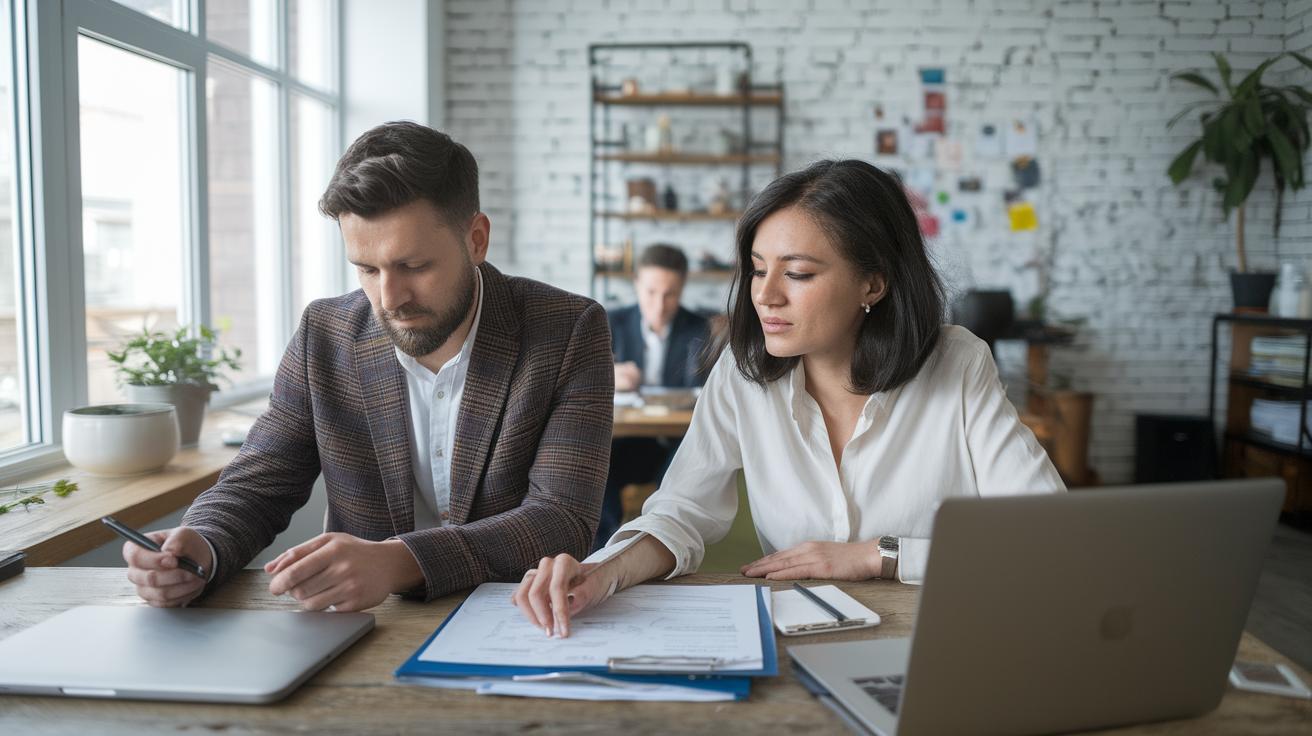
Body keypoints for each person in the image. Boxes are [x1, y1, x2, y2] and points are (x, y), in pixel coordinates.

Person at [511, 159, 1065, 637]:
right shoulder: (743, 370)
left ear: (874, 283)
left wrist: (880, 556)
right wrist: (603, 571)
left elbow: (1047, 533)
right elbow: (683, 510)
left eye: (797, 273)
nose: (765, 296)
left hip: (943, 635)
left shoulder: (957, 362)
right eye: (757, 270)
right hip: (801, 636)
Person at [122, 121, 614, 612]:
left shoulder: (567, 330)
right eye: (366, 269)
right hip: (359, 625)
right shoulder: (325, 332)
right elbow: (262, 480)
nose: (390, 298)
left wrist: (399, 561)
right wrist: (202, 545)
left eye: (414, 267)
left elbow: (560, 517)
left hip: (520, 617)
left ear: (476, 240)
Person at [597, 244, 710, 550]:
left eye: (670, 294)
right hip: (625, 441)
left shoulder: (698, 328)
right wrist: (611, 373)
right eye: (650, 292)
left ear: (683, 289)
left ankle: (658, 546)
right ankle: (602, 551)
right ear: (636, 285)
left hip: (673, 441)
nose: (659, 305)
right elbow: (583, 381)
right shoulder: (609, 322)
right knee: (596, 464)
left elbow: (698, 389)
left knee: (683, 473)